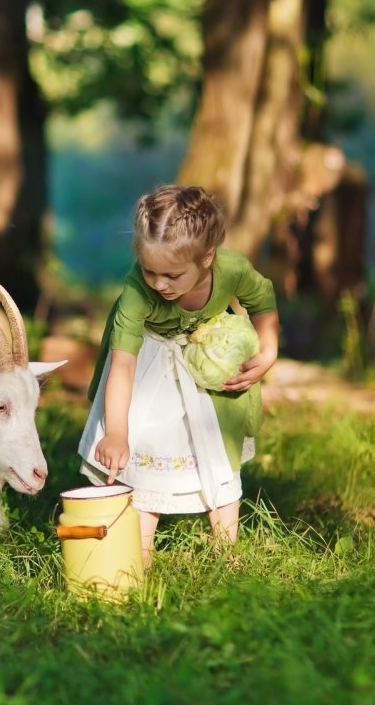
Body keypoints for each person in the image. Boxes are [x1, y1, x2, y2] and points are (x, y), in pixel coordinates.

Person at [78, 184, 280, 567]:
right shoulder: (137, 292)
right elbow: (122, 363)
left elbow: (263, 299)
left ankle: (226, 555)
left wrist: (268, 350)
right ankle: (139, 557)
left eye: (171, 274)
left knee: (217, 454)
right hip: (149, 367)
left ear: (207, 258)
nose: (158, 283)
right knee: (144, 457)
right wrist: (117, 431)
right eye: (149, 271)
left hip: (206, 361)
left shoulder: (232, 269)